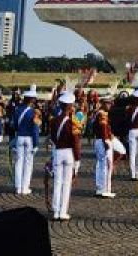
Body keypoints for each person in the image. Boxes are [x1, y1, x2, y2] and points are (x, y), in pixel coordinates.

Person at [49, 91, 80, 221]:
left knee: (57, 182)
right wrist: (77, 159)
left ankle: (55, 211)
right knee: (66, 183)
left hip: (57, 151)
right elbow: (76, 142)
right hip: (68, 153)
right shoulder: (73, 123)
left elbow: (52, 138)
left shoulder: (54, 120)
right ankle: (63, 211)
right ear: (70, 106)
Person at [12, 85, 41, 195]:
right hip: (29, 139)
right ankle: (25, 187)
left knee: (18, 162)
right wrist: (36, 143)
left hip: (19, 137)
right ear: (32, 100)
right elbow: (35, 129)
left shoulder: (17, 110)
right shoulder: (34, 112)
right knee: (28, 164)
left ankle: (18, 187)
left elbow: (14, 125)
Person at [92, 93, 117, 198]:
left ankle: (100, 188)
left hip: (99, 141)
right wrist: (106, 142)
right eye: (108, 103)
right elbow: (103, 129)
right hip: (103, 141)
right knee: (107, 166)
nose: (110, 105)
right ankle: (106, 189)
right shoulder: (102, 114)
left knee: (101, 165)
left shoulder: (98, 113)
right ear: (103, 104)